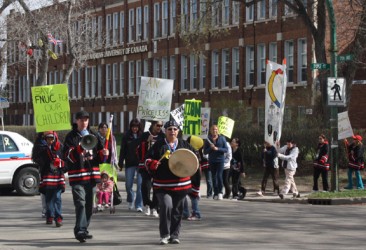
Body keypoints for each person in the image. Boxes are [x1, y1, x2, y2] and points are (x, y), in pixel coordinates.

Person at [145, 120, 194, 245]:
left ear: (178, 131)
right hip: (163, 184)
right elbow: (147, 159)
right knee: (166, 206)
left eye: (175, 129)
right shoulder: (158, 145)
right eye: (169, 129)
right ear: (165, 131)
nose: (172, 131)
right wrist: (152, 164)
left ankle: (174, 235)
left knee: (177, 210)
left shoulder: (184, 145)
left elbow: (195, 159)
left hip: (180, 184)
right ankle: (164, 235)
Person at [63, 110, 103, 243]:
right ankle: (80, 230)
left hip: (91, 176)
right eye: (81, 119)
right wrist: (80, 148)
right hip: (77, 176)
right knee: (80, 202)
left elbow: (101, 157)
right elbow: (68, 156)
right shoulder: (71, 137)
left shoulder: (94, 135)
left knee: (89, 206)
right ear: (76, 121)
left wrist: (105, 153)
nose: (84, 122)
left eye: (86, 119)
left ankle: (83, 229)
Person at [32, 131, 65, 227]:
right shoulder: (42, 149)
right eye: (48, 139)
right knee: (49, 197)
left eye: (52, 138)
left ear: (55, 139)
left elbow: (65, 159)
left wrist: (61, 163)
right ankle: (50, 215)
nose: (50, 141)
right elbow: (37, 159)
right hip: (47, 175)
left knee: (58, 197)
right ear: (45, 139)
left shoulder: (60, 147)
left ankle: (58, 217)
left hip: (58, 176)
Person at [138, 120, 165, 217]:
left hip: (157, 164)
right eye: (158, 125)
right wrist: (146, 142)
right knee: (146, 185)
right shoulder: (144, 135)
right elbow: (137, 149)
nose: (159, 127)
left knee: (157, 186)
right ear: (153, 125)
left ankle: (155, 207)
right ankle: (146, 204)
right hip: (145, 164)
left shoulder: (163, 136)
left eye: (161, 125)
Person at [119, 118, 143, 212]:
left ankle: (138, 205)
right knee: (128, 184)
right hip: (130, 163)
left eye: (136, 127)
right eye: (133, 127)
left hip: (140, 163)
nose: (135, 129)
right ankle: (130, 199)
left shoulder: (142, 136)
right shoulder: (126, 136)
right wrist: (120, 163)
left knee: (140, 185)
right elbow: (122, 150)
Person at [203, 125, 228, 200]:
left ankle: (220, 192)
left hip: (220, 160)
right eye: (213, 129)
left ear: (218, 130)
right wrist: (211, 148)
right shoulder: (208, 140)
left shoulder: (222, 138)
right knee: (213, 177)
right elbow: (205, 152)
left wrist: (218, 149)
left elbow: (226, 149)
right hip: (212, 160)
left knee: (219, 176)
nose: (215, 131)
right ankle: (215, 192)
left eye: (216, 129)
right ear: (211, 131)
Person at [183, 135, 204, 221]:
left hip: (193, 177)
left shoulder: (194, 153)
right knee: (183, 195)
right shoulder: (196, 152)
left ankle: (196, 213)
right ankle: (185, 213)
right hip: (190, 176)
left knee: (193, 197)